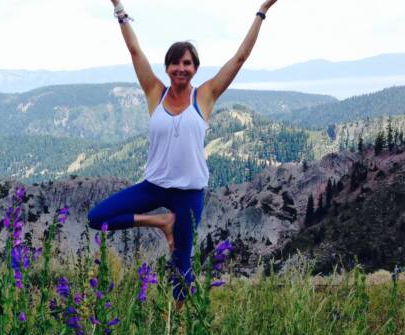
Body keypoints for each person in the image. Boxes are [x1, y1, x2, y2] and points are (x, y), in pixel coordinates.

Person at [88, 0, 278, 308]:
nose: (181, 68)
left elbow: (240, 58)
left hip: (189, 194)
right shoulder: (155, 92)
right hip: (154, 186)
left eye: (187, 63)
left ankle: (178, 329)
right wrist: (118, 8)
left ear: (195, 69)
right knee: (98, 218)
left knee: (181, 268)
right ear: (167, 68)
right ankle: (162, 222)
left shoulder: (205, 95)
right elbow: (135, 52)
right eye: (176, 63)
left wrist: (262, 10)